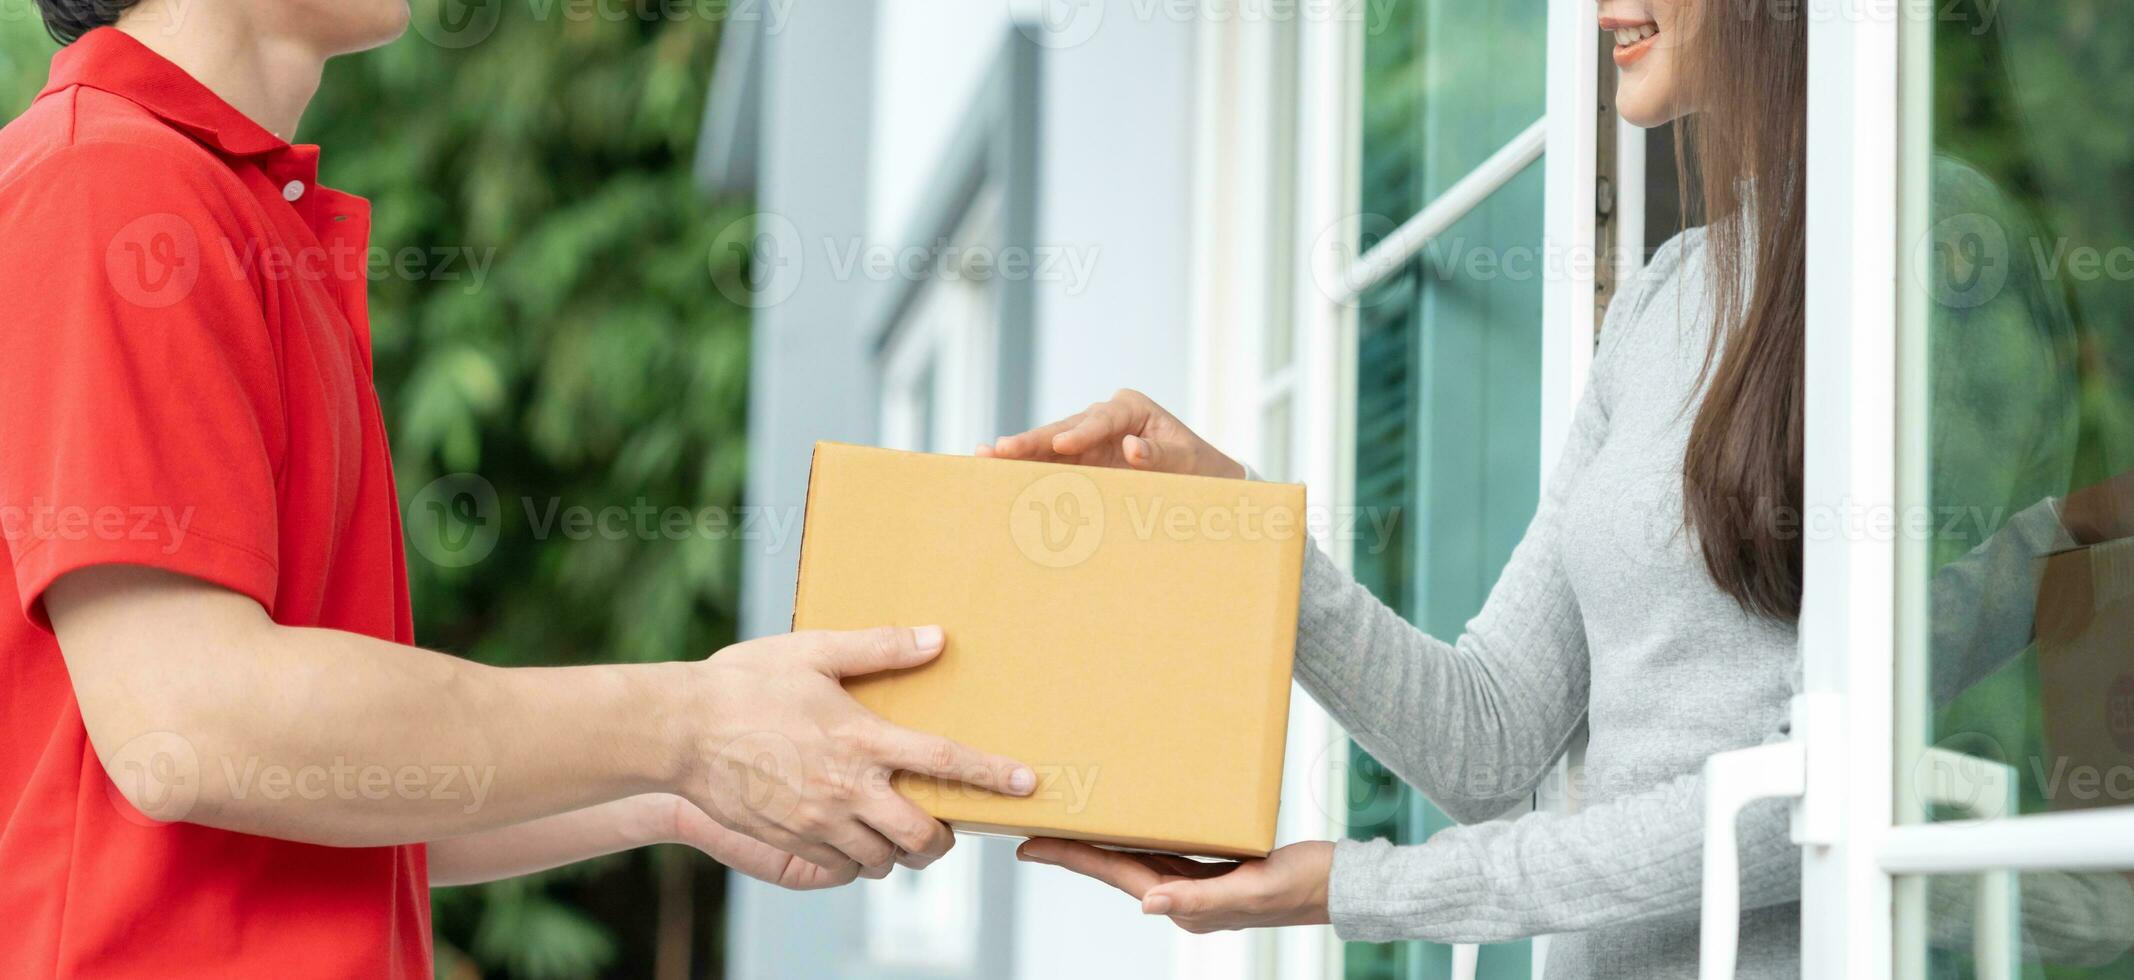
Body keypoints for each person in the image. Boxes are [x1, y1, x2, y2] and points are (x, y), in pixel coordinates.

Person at [989, 0, 2134, 975]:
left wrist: (1364, 887)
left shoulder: (1929, 245)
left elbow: (1816, 786)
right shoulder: (1665, 291)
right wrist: (1233, 526)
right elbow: (1487, 736)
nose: (1594, 11)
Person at [0, 3, 1032, 978]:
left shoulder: (208, 201)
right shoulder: (112, 185)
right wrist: (693, 724)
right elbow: (197, 724)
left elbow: (327, 773)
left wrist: (673, 789)